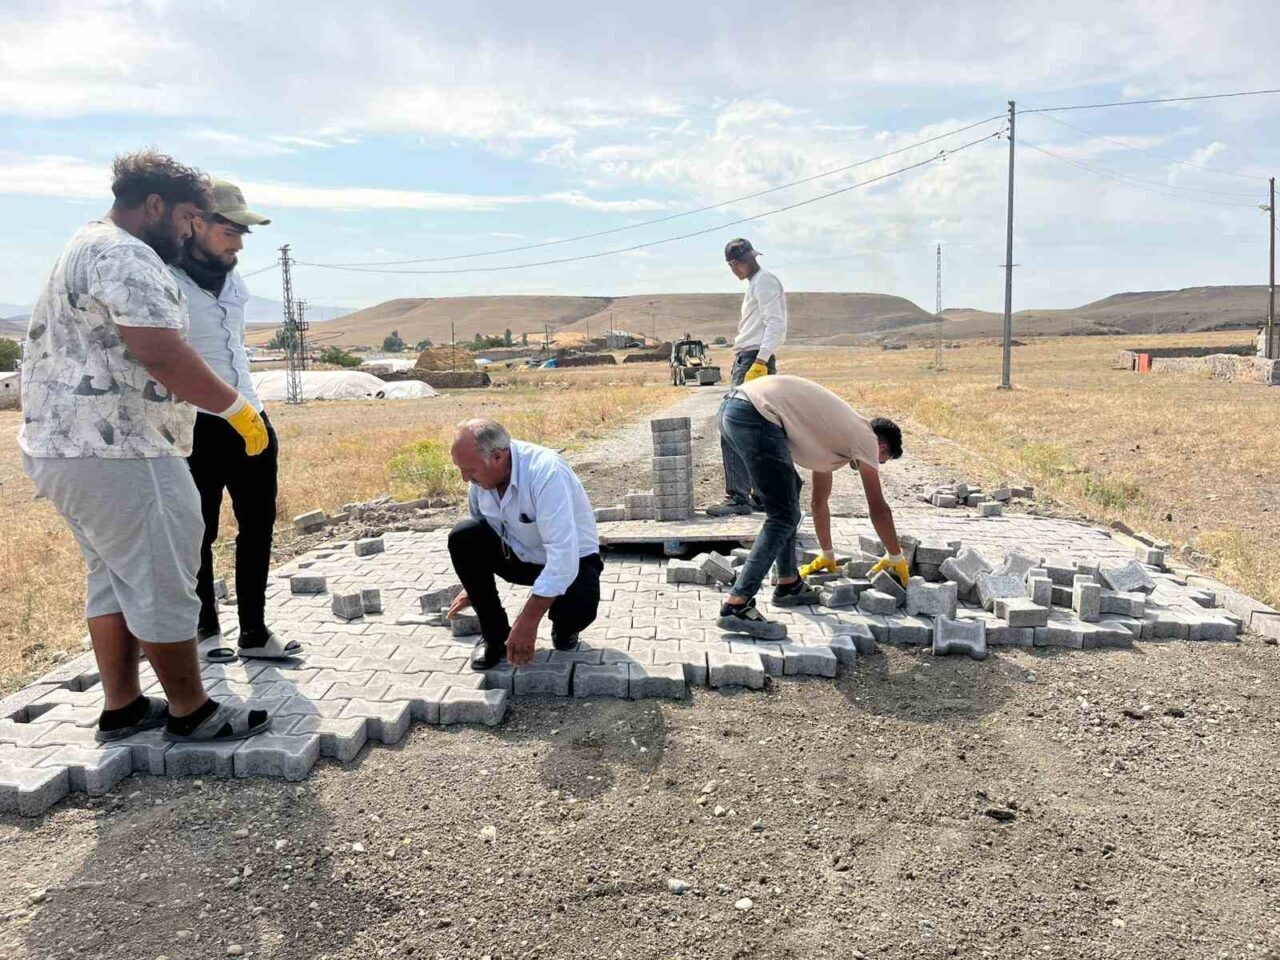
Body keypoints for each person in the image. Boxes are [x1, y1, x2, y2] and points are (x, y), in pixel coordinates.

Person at [18, 150, 272, 744]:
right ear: (155, 205)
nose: (190, 229)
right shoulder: (128, 254)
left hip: (66, 447)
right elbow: (160, 351)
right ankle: (193, 710)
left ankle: (124, 705)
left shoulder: (86, 241)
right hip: (120, 448)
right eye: (188, 216)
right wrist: (235, 408)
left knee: (112, 576)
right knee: (162, 574)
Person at [172, 179, 296, 662]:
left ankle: (254, 632)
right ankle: (204, 630)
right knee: (198, 530)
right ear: (196, 222)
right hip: (195, 420)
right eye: (230, 228)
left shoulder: (235, 276)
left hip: (250, 415)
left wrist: (251, 414)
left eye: (244, 232)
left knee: (259, 523)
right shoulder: (166, 278)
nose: (239, 241)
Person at [713, 375, 907, 639]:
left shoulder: (835, 438)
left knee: (790, 493)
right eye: (882, 461)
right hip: (754, 414)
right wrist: (896, 556)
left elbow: (818, 501)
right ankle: (737, 605)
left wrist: (827, 553)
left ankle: (789, 584)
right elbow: (879, 508)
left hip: (735, 408)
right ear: (882, 446)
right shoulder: (866, 439)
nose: (877, 464)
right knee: (783, 515)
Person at [445, 419, 603, 670]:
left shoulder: (546, 472)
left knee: (579, 610)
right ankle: (495, 636)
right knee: (464, 535)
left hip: (573, 561)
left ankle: (564, 627)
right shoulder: (482, 480)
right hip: (518, 556)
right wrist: (472, 587)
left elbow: (563, 558)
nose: (465, 478)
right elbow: (479, 530)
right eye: (461, 470)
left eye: (470, 470)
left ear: (497, 457)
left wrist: (528, 621)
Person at [707, 237, 788, 517]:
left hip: (754, 359)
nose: (736, 270)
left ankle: (738, 497)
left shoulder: (764, 281)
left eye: (735, 265)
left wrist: (761, 361)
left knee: (729, 425)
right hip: (751, 358)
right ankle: (761, 495)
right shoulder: (756, 283)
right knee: (755, 428)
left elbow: (775, 323)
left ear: (737, 263)